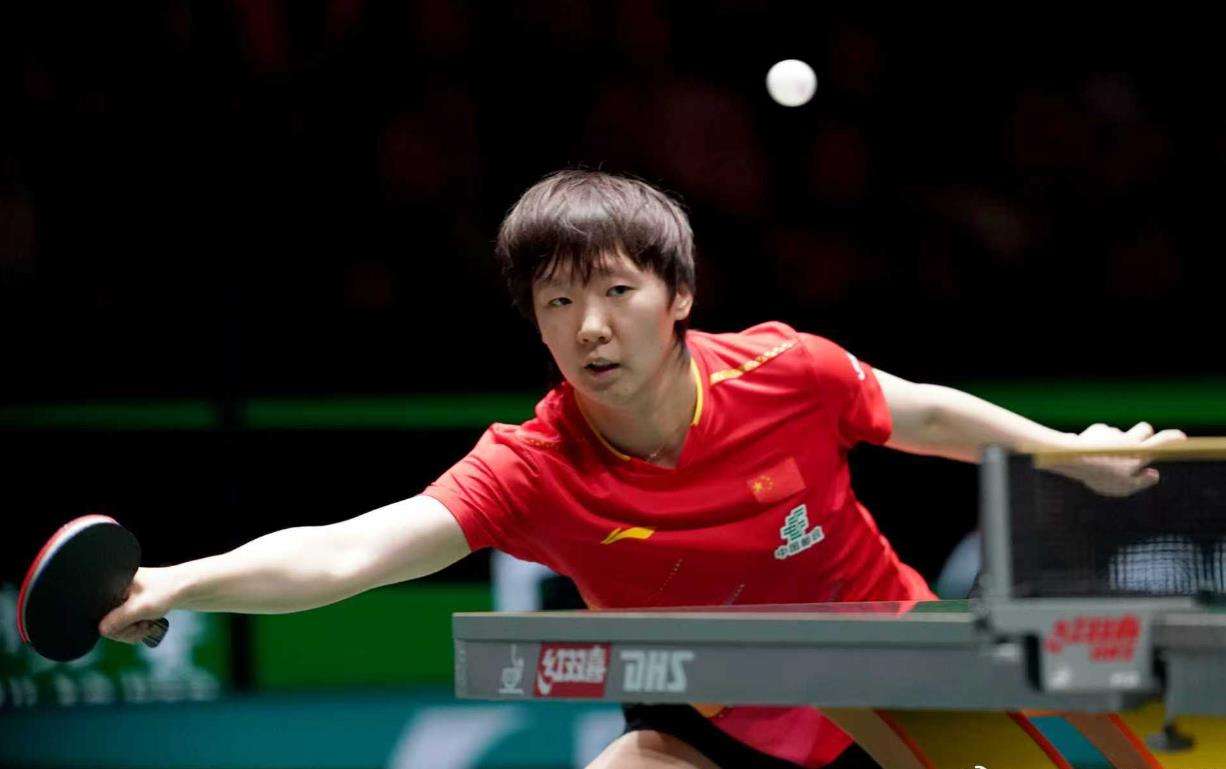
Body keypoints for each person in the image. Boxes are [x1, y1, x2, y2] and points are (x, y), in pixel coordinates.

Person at [101, 170, 1185, 769]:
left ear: (678, 296)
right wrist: (174, 582)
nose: (590, 326)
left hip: (890, 685)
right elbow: (352, 549)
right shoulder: (529, 467)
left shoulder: (785, 370)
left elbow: (926, 414)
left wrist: (1063, 454)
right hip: (707, 723)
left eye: (616, 291)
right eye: (558, 302)